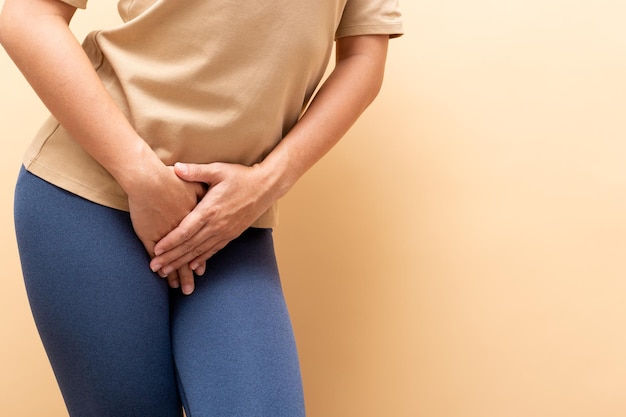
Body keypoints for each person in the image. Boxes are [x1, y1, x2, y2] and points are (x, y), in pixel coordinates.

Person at [0, 0, 403, 415]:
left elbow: (363, 56)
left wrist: (265, 183)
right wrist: (140, 175)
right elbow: (26, 15)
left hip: (229, 224)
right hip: (92, 199)